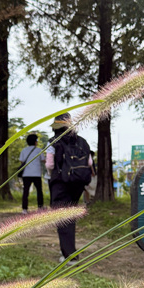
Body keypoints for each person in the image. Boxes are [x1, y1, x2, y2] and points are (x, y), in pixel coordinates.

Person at [46, 113, 93, 264]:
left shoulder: (53, 142)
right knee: (70, 216)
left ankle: (70, 256)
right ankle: (67, 249)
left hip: (60, 184)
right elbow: (89, 163)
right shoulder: (82, 142)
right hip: (78, 183)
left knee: (62, 217)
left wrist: (53, 175)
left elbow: (49, 165)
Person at [19, 133, 45, 212]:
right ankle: (40, 207)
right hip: (37, 174)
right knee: (39, 191)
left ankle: (24, 209)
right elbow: (43, 160)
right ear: (35, 142)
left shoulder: (24, 150)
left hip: (26, 174)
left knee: (25, 192)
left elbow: (21, 161)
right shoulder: (39, 150)